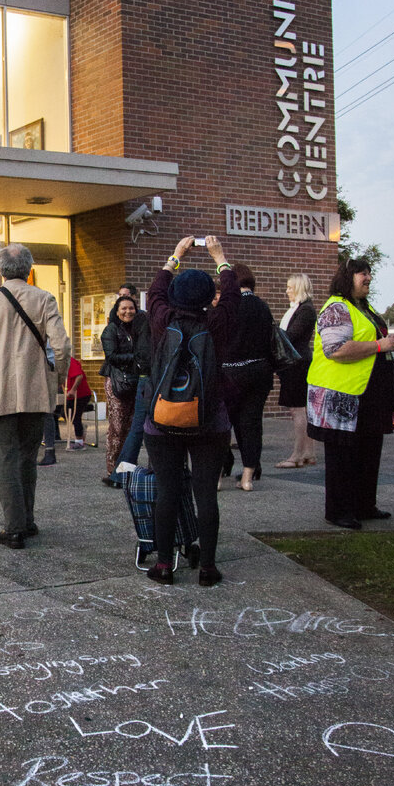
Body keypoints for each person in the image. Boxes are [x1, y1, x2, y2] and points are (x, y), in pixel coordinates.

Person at [0, 242, 69, 549]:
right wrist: (58, 377)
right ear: (30, 270)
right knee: (28, 459)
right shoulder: (45, 299)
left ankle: (14, 528)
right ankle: (27, 520)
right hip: (35, 392)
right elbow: (61, 346)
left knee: (6, 460)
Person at [143, 235, 241, 586]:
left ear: (174, 297)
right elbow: (231, 295)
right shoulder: (217, 324)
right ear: (206, 298)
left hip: (163, 422)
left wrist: (175, 256)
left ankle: (165, 565)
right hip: (209, 422)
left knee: (167, 493)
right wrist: (220, 257)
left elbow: (155, 289)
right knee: (205, 495)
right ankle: (208, 567)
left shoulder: (161, 317)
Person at [307, 256, 394, 529]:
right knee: (342, 456)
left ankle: (364, 504)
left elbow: (371, 339)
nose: (368, 278)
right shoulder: (337, 308)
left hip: (367, 395)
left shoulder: (363, 307)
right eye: (362, 273)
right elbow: (336, 349)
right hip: (340, 397)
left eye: (370, 273)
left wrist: (388, 342)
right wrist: (379, 346)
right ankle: (338, 511)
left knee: (369, 451)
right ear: (347, 278)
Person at [221, 262, 275, 492]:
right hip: (260, 372)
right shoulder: (263, 307)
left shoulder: (230, 307)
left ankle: (220, 470)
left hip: (231, 372)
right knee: (251, 423)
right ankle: (248, 477)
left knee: (224, 423)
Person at [275, 272, 318, 468]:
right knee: (302, 409)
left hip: (297, 364)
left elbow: (290, 336)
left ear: (299, 288)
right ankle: (308, 452)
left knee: (298, 409)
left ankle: (297, 454)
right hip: (296, 363)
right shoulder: (300, 309)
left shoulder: (305, 310)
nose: (286, 291)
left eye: (290, 288)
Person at [101, 296, 142, 483]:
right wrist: (137, 357)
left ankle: (126, 469)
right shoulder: (111, 330)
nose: (128, 312)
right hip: (117, 382)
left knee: (131, 427)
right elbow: (112, 356)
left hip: (135, 382)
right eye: (123, 309)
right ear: (117, 312)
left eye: (131, 308)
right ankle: (113, 470)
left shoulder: (139, 328)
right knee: (117, 427)